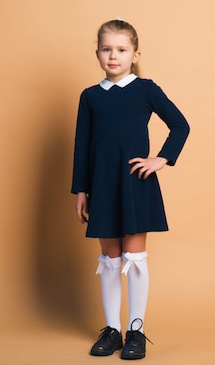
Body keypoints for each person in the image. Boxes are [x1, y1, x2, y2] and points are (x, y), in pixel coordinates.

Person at [71, 19, 190, 360]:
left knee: (134, 258)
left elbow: (180, 125)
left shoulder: (145, 89)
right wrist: (80, 190)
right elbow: (81, 145)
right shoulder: (90, 96)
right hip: (102, 186)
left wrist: (161, 159)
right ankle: (111, 330)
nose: (114, 56)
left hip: (135, 184)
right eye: (107, 49)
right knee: (110, 260)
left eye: (121, 50)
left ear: (135, 54)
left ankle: (136, 330)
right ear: (97, 54)